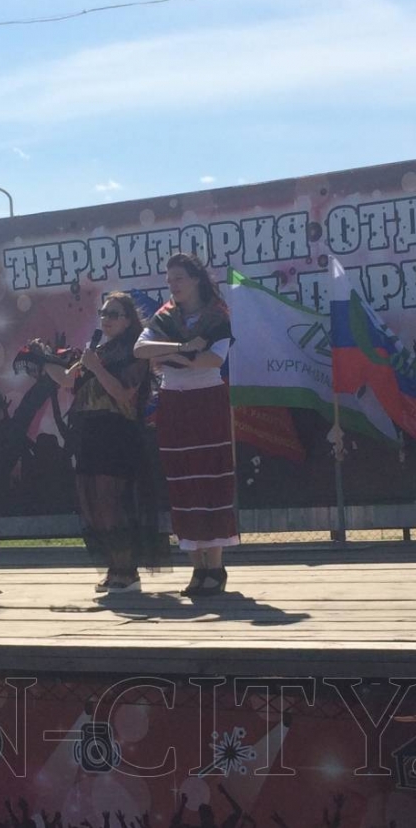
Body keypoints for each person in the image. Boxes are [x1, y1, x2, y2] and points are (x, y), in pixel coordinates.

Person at [42, 292, 166, 593]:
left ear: (128, 320)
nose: (106, 319)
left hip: (118, 432)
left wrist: (96, 367)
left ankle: (128, 571)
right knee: (93, 501)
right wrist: (42, 359)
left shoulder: (135, 351)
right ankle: (114, 567)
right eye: (103, 313)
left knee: (113, 501)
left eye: (113, 314)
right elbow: (69, 380)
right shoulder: (99, 349)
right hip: (91, 430)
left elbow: (124, 394)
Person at [133, 252, 238, 596]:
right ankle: (197, 567)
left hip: (207, 399)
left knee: (211, 477)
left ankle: (215, 566)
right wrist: (183, 347)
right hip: (174, 402)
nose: (173, 285)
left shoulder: (216, 314)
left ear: (195, 280)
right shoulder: (165, 316)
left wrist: (172, 356)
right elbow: (140, 349)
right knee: (182, 479)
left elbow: (213, 358)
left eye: (178, 278)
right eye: (169, 280)